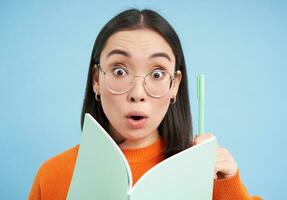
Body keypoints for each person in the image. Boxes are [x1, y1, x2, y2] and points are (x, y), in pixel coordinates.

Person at [28, 9, 261, 200]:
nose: (137, 94)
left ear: (175, 85)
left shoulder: (208, 175)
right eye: (120, 71)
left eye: (157, 74)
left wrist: (229, 186)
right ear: (97, 80)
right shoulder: (52, 176)